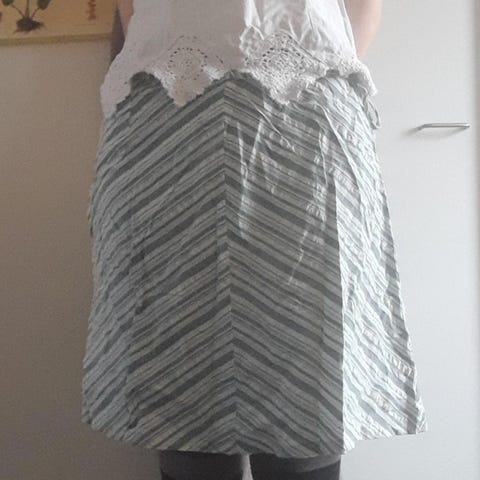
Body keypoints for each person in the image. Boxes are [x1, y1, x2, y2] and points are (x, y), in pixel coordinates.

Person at [81, 1, 428, 479]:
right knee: (183, 393)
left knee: (306, 391)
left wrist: (294, 65)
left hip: (298, 127)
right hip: (170, 127)